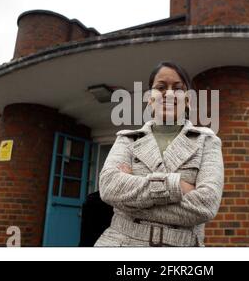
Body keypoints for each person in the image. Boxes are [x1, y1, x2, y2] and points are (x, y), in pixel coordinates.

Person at [94, 61, 224, 247]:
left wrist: (130, 201)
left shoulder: (207, 141)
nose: (169, 94)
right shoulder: (127, 139)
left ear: (187, 100)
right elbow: (109, 188)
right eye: (161, 87)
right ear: (150, 98)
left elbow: (206, 205)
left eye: (178, 88)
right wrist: (176, 185)